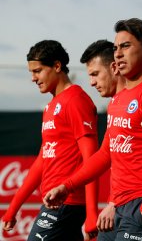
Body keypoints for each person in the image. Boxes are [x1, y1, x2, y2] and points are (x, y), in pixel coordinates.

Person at [43, 18, 142, 241]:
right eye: (116, 48)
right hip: (121, 206)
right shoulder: (118, 100)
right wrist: (67, 186)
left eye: (125, 46)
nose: (118, 53)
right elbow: (106, 153)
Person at [1, 40, 99, 240]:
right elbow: (42, 161)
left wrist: (92, 214)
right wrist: (14, 207)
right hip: (55, 201)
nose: (33, 78)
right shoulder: (51, 106)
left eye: (37, 71)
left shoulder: (76, 100)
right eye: (31, 72)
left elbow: (92, 159)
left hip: (67, 202)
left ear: (57, 66)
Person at [80, 39, 126, 241]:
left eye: (95, 74)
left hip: (135, 209)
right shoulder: (115, 104)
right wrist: (67, 185)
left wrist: (116, 203)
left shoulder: (139, 99)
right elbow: (105, 154)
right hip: (116, 208)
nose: (91, 82)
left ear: (114, 67)